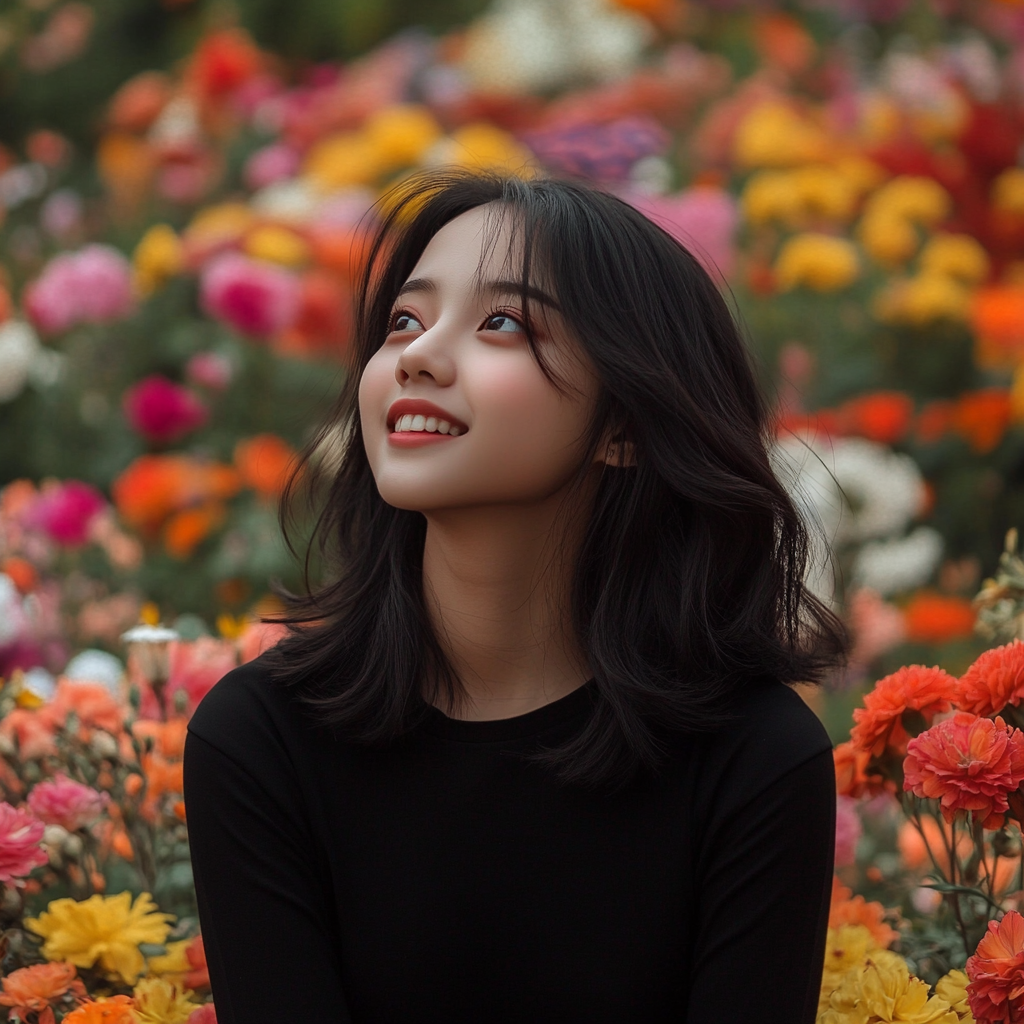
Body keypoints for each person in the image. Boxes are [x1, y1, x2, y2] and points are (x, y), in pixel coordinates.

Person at [183, 170, 848, 1024]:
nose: (416, 355)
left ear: (627, 425)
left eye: (502, 322)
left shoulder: (754, 762)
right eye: (404, 321)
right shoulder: (261, 740)